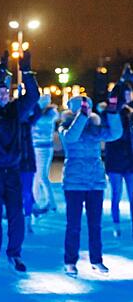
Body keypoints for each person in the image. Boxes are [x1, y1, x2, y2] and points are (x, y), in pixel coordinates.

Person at [0, 51, 39, 272]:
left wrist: (27, 71)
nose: (3, 94)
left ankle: (15, 253)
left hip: (11, 170)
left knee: (16, 214)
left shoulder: (15, 111)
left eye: (6, 91)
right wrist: (0, 72)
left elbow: (33, 97)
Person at [59, 94, 122, 277]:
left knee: (95, 225)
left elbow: (115, 134)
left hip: (95, 181)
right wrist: (82, 116)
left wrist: (112, 113)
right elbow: (71, 138)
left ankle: (97, 260)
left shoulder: (96, 128)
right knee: (74, 225)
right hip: (74, 182)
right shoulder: (65, 127)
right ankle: (70, 261)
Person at [105, 65, 133, 238]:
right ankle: (116, 224)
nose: (130, 96)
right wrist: (121, 82)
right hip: (115, 162)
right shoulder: (113, 112)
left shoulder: (131, 112)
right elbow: (113, 98)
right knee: (116, 195)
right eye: (128, 94)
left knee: (132, 196)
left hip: (130, 162)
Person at [31, 94, 59, 212]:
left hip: (44, 147)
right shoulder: (41, 114)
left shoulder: (50, 114)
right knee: (36, 176)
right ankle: (36, 201)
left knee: (41, 176)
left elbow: (35, 123)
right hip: (36, 146)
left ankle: (51, 202)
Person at [19, 100, 41, 234]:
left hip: (27, 164)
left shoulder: (27, 124)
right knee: (20, 193)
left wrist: (33, 100)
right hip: (15, 163)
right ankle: (24, 216)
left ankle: (27, 220)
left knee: (26, 192)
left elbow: (38, 113)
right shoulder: (12, 124)